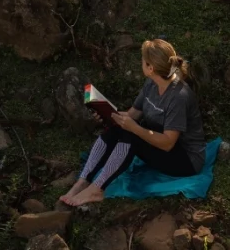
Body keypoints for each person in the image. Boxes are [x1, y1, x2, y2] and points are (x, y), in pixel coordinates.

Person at [59, 40, 206, 207]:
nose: (140, 63)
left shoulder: (178, 96)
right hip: (161, 144)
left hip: (186, 160)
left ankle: (97, 188)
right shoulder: (151, 83)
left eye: (143, 60)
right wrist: (107, 115)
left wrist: (135, 128)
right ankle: (83, 181)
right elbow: (132, 114)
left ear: (150, 68)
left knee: (132, 134)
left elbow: (167, 143)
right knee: (118, 128)